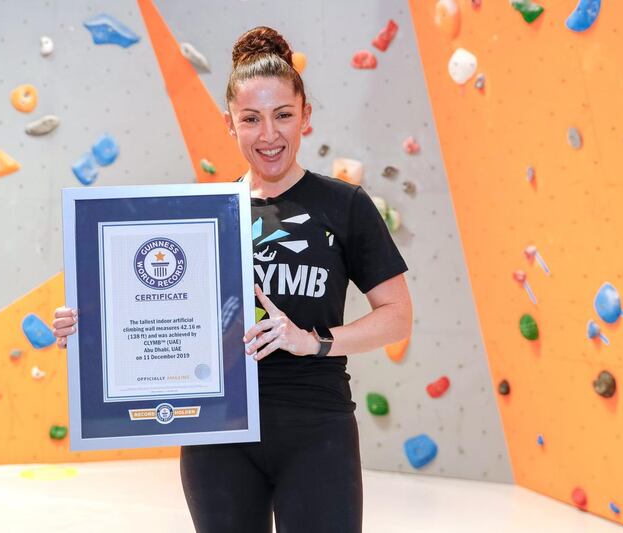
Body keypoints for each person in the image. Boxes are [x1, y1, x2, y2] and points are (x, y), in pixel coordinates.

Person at [52, 26, 412, 533]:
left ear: (306, 116)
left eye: (283, 115)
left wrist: (314, 342)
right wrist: (88, 326)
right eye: (251, 119)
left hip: (316, 427)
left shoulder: (345, 205)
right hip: (216, 433)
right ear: (230, 123)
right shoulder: (202, 216)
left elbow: (397, 318)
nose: (269, 135)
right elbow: (154, 302)